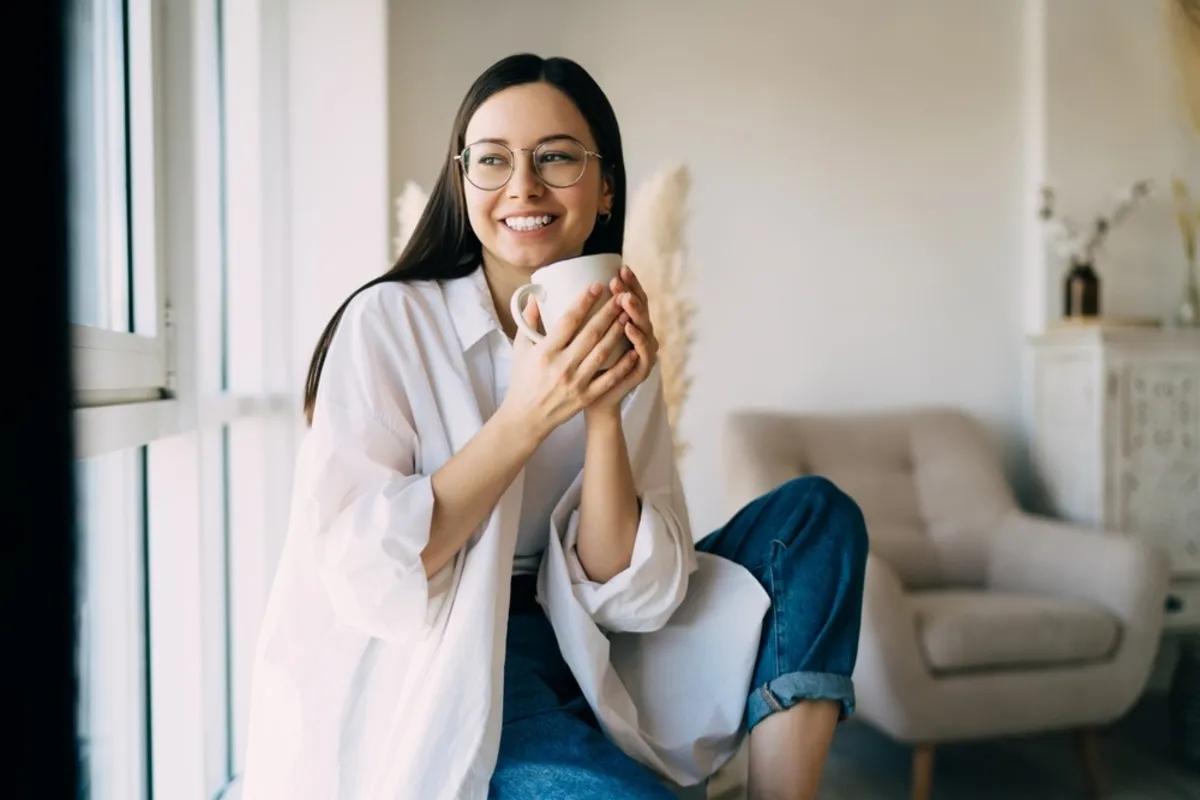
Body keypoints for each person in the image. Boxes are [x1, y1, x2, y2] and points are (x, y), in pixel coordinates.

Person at [241, 53, 868, 800]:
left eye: (556, 158)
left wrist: (604, 413)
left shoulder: (617, 336)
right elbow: (369, 578)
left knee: (815, 518)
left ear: (605, 188)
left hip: (587, 644)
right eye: (492, 160)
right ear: (462, 182)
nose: (523, 187)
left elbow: (630, 599)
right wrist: (528, 414)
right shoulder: (389, 322)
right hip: (463, 659)